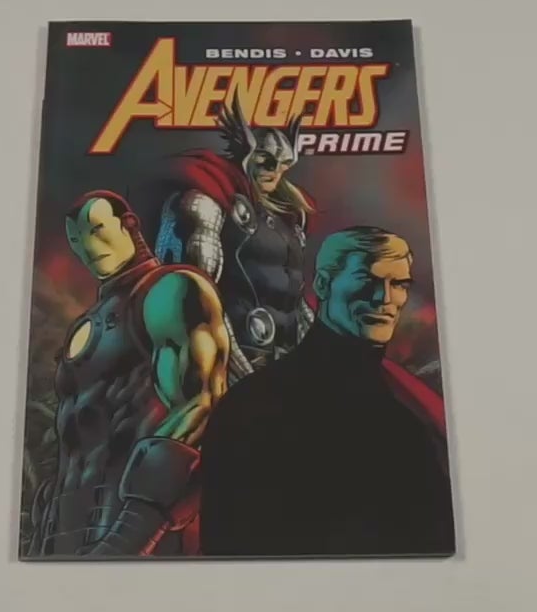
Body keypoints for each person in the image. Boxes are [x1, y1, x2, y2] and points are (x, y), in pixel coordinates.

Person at [195, 226, 454, 557]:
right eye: (367, 280)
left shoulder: (408, 406)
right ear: (323, 284)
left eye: (399, 284)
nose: (384, 299)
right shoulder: (255, 405)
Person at [25, 191, 230, 557]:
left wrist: (129, 538)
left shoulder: (170, 290)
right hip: (64, 539)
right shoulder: (88, 324)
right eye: (77, 240)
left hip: (136, 537)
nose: (89, 247)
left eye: (96, 229)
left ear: (129, 225)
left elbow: (201, 404)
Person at [148, 99, 316, 380]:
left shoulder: (289, 217)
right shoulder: (207, 201)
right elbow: (200, 302)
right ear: (246, 153)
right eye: (265, 160)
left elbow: (295, 302)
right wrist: (241, 374)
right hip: (229, 364)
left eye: (284, 163)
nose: (275, 170)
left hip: (284, 365)